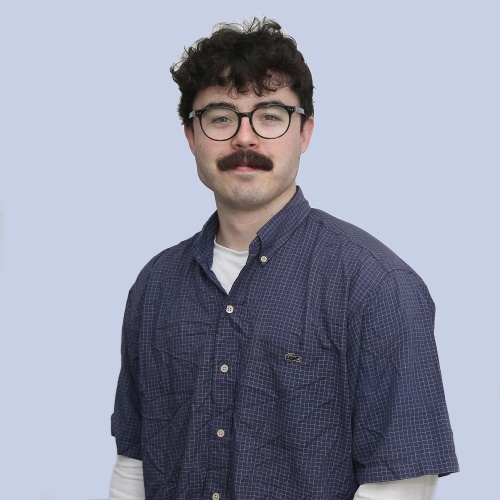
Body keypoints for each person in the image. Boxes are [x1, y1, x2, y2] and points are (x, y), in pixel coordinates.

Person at [110, 18, 458, 500]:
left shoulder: (376, 285)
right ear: (191, 136)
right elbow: (134, 462)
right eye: (220, 117)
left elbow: (402, 482)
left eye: (270, 116)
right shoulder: (156, 285)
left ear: (305, 131)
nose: (245, 138)